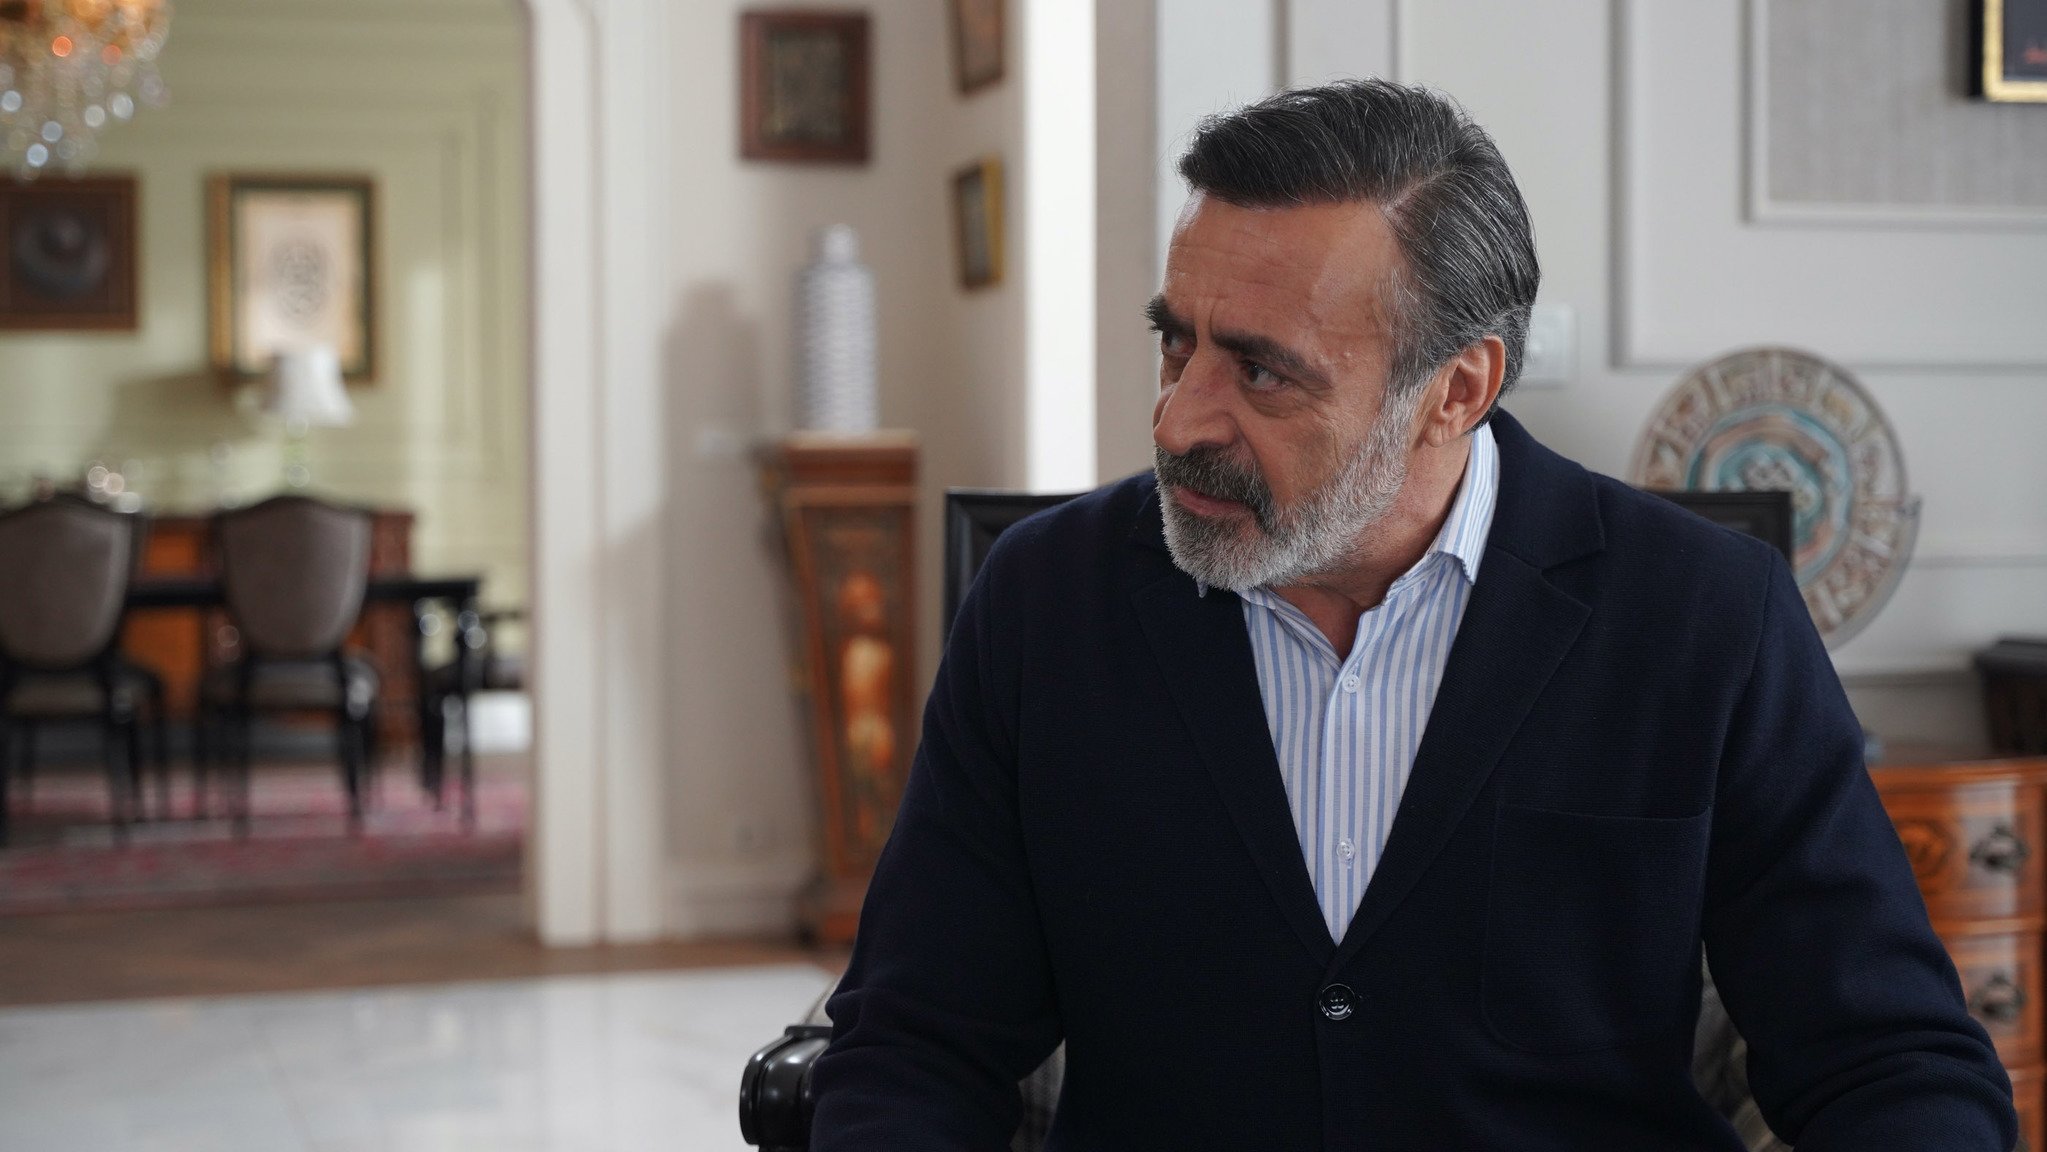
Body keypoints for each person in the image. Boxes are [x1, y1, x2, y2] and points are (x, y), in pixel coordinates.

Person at [808, 80, 2014, 1150]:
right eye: (1176, 345)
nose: (1178, 420)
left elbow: (1888, 1061)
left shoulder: (1702, 616)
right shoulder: (1045, 600)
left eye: (1261, 370)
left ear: (1456, 390)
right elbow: (916, 1044)